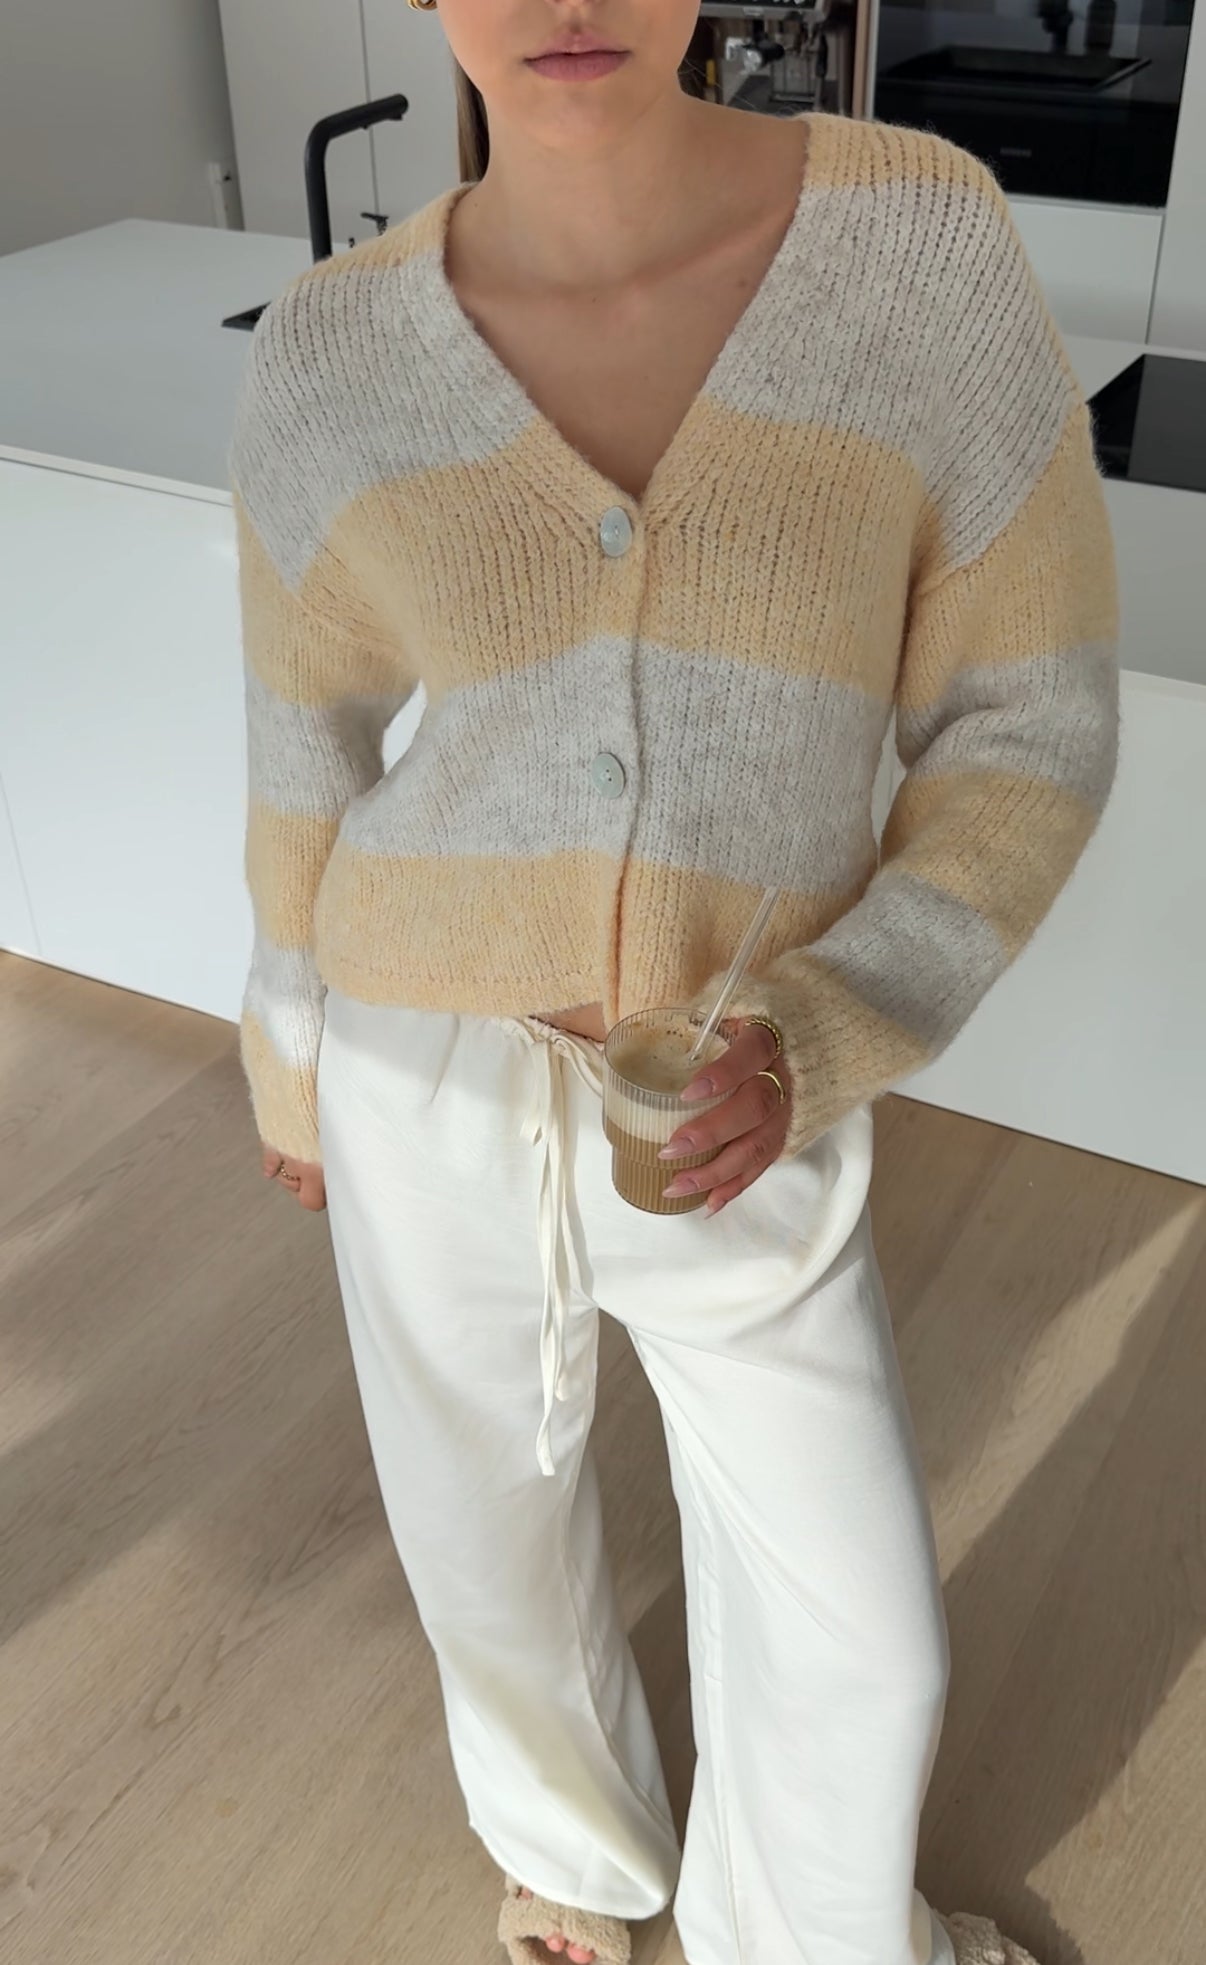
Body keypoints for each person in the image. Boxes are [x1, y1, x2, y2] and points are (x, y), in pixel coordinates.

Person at [226, 3, 1119, 1961]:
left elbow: (1028, 721)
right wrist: (293, 1058)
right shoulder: (332, 350)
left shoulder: (918, 254)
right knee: (480, 1527)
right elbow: (306, 742)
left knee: (857, 1633)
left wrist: (832, 1022)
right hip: (417, 1059)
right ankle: (575, 1849)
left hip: (738, 1079)